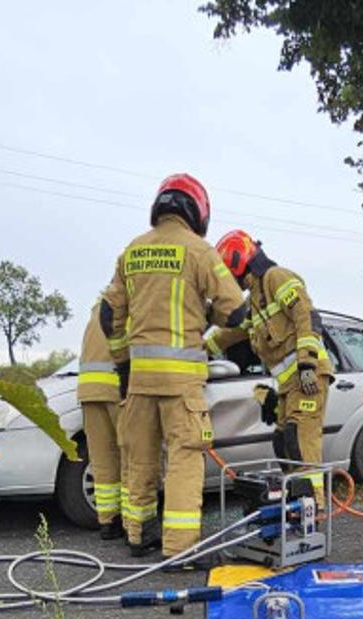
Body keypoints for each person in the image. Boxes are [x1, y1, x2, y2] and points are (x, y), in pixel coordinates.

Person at [99, 174, 247, 561]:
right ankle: (180, 550)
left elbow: (108, 312)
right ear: (197, 210)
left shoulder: (132, 250)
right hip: (181, 383)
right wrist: (206, 314)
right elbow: (236, 310)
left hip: (140, 380)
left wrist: (122, 363)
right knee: (185, 458)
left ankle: (137, 536)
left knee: (140, 459)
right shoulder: (199, 251)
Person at [202, 230, 331, 506]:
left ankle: (313, 506)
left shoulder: (276, 277)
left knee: (300, 442)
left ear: (237, 262)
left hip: (308, 375)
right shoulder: (256, 300)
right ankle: (296, 499)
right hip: (289, 384)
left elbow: (305, 316)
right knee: (283, 442)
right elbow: (232, 332)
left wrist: (307, 362)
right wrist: (200, 349)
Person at [75, 300, 127, 540]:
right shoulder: (130, 304)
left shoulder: (97, 308)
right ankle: (133, 522)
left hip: (89, 390)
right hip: (117, 388)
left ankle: (108, 521)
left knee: (102, 458)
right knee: (133, 456)